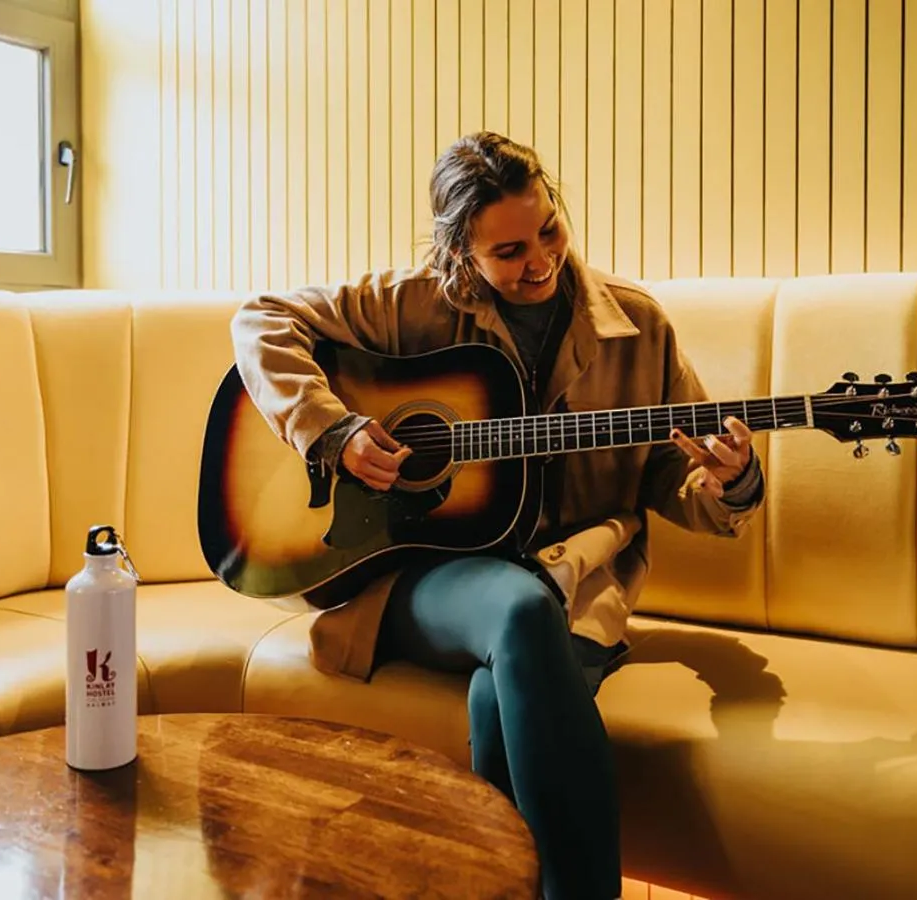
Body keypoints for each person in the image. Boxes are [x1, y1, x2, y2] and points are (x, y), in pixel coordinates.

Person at [231, 131, 765, 900]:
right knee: (518, 610)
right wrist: (335, 432)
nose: (540, 260)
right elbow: (260, 320)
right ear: (459, 257)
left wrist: (729, 480)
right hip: (427, 576)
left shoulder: (636, 328)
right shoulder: (411, 304)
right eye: (508, 251)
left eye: (548, 230)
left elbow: (674, 468)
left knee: (502, 680)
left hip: (574, 582)